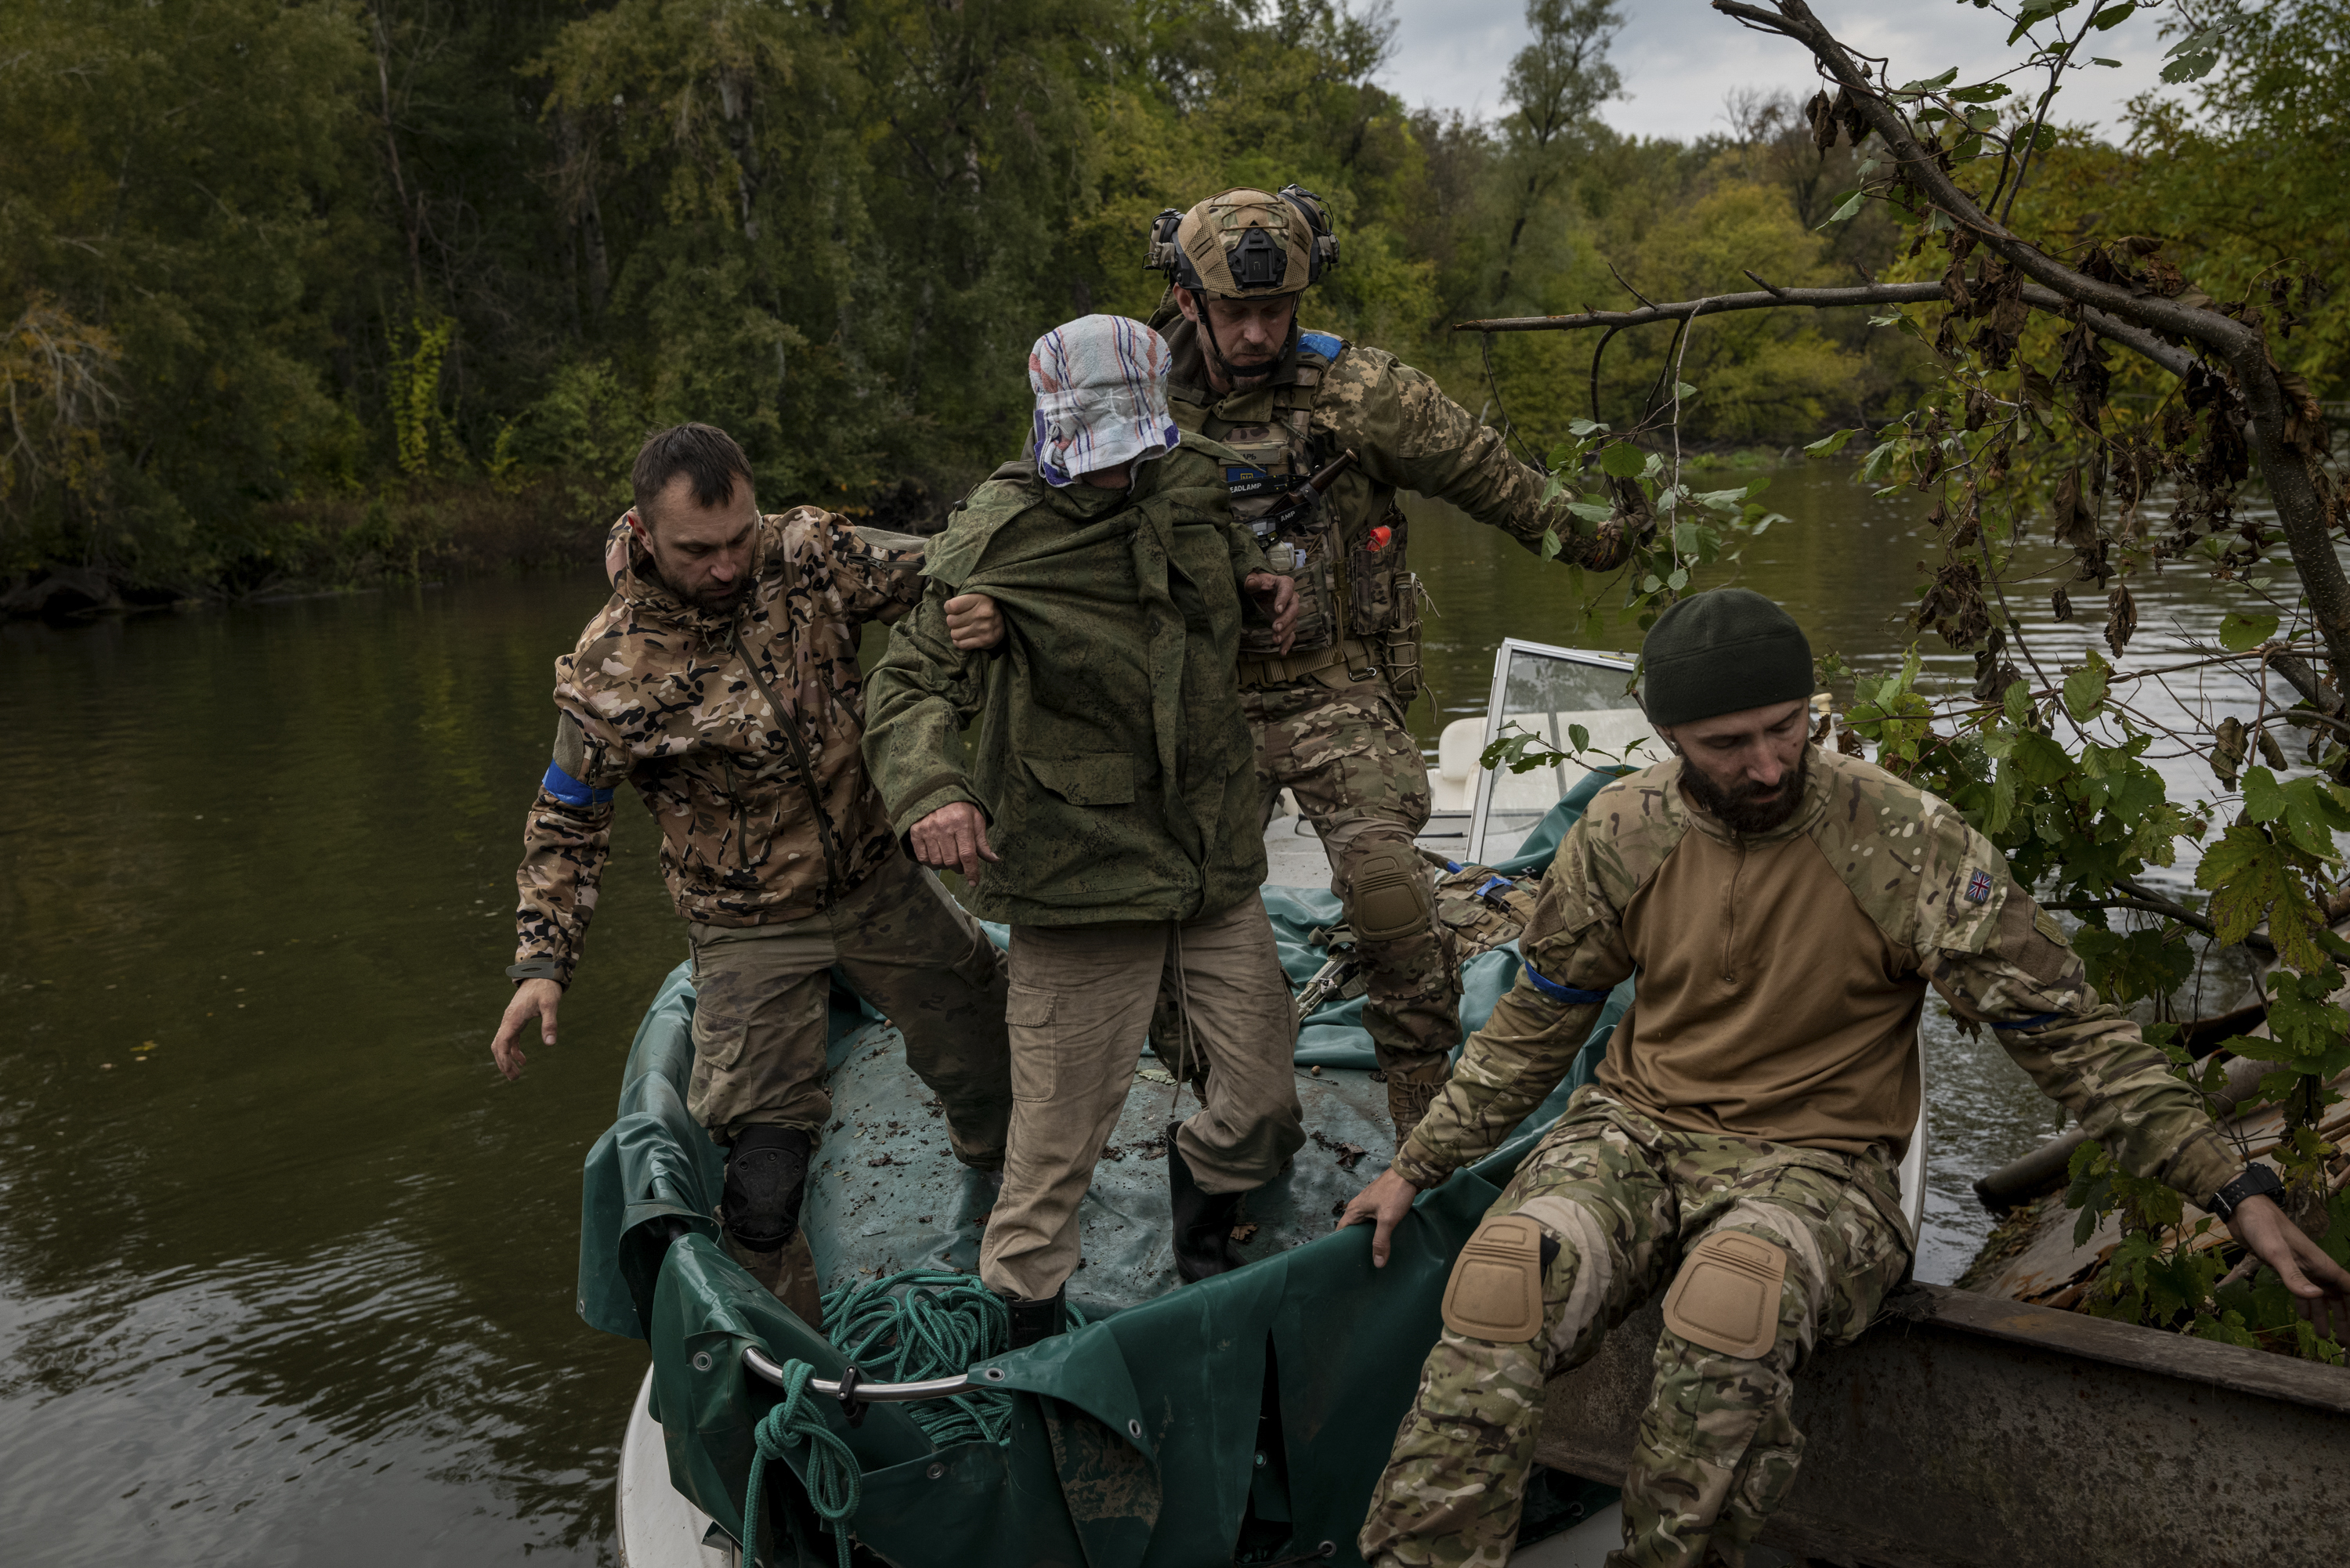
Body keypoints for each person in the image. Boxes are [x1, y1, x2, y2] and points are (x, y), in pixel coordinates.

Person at [1340, 588, 2350, 1568]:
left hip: (1824, 1162)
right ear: (1672, 738)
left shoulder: (1904, 838)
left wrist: (2236, 1186)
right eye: (1729, 744)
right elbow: (1534, 1020)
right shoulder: (1621, 831)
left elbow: (2069, 1033)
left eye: (1787, 728)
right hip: (1636, 1130)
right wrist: (1417, 1168)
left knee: (1732, 1309)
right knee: (1504, 1276)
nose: (1769, 762)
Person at [487, 422, 1017, 1328]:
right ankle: (801, 1378)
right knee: (764, 1184)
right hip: (747, 926)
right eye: (701, 550)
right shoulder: (609, 667)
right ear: (645, 535)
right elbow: (569, 817)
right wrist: (543, 961)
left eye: (741, 538)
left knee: (991, 1060)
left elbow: (948, 565)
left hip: (875, 878)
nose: (730, 565)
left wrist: (985, 604)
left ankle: (1000, 1196)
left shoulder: (807, 552)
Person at [1143, 184, 1636, 1139]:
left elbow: (1495, 480)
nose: (1255, 332)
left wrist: (1603, 541)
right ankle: (1228, 1103)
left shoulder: (1359, 393)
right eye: (1235, 313)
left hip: (1335, 688)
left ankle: (1421, 1107)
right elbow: (1045, 524)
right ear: (1189, 300)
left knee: (1388, 891)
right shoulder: (1133, 400)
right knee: (1159, 915)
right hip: (1196, 701)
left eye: (1275, 311)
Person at [862, 314, 1308, 1346]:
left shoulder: (1190, 479)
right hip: (1076, 869)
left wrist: (1260, 585)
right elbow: (905, 682)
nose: (1114, 473)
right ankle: (1031, 1349)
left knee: (1264, 1099)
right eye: (1095, 452)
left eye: (1130, 448)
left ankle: (1206, 1239)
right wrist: (936, 792)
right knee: (1053, 1152)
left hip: (1205, 855)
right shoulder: (997, 536)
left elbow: (1226, 557)